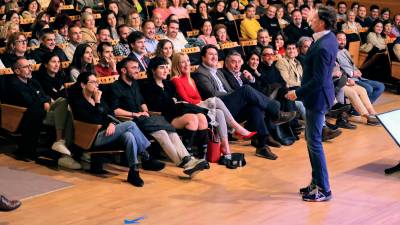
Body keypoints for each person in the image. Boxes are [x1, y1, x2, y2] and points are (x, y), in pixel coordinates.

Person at [193, 45, 296, 160]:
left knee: (254, 107)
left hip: (229, 107)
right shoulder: (200, 73)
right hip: (217, 107)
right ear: (203, 57)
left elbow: (229, 90)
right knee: (245, 89)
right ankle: (276, 112)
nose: (214, 57)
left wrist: (237, 95)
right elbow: (211, 94)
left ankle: (262, 145)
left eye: (216, 54)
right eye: (210, 54)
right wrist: (237, 95)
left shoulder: (218, 71)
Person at [111, 58, 208, 177]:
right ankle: (183, 163)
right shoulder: (115, 87)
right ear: (123, 70)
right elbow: (115, 111)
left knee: (171, 131)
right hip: (130, 121)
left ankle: (187, 159)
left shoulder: (135, 84)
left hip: (144, 117)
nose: (138, 70)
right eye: (134, 68)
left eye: (138, 67)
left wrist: (145, 111)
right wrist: (134, 114)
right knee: (161, 132)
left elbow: (141, 101)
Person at [68, 72, 164, 187]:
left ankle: (134, 172)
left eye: (96, 82)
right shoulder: (78, 102)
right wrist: (97, 102)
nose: (96, 85)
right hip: (92, 136)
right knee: (130, 124)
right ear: (83, 85)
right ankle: (146, 155)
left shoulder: (98, 97)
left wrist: (112, 123)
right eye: (93, 82)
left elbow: (110, 114)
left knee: (129, 136)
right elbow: (94, 120)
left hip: (108, 133)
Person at [285, 6, 337, 201]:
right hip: (317, 96)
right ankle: (316, 182)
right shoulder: (328, 38)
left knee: (315, 143)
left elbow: (319, 80)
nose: (310, 19)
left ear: (322, 22)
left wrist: (296, 93)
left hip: (317, 98)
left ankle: (324, 189)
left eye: (313, 17)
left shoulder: (323, 46)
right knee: (311, 139)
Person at [171, 52, 257, 164]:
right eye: (182, 62)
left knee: (220, 112)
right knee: (215, 100)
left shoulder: (190, 79)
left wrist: (200, 101)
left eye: (187, 61)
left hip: (197, 105)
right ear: (176, 64)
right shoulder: (175, 79)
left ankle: (226, 148)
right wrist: (202, 103)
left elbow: (197, 97)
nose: (186, 64)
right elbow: (185, 99)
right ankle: (236, 127)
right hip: (188, 108)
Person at [139, 57, 210, 160]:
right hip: (163, 117)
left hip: (176, 112)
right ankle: (187, 154)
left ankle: (202, 156)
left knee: (202, 117)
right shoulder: (146, 86)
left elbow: (175, 100)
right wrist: (172, 101)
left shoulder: (169, 84)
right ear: (153, 70)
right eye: (161, 68)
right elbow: (157, 105)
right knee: (192, 119)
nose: (165, 70)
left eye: (167, 67)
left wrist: (173, 101)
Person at [34, 53, 81, 169]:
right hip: (47, 113)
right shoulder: (38, 79)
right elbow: (44, 101)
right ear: (45, 64)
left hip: (61, 112)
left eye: (58, 62)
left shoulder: (61, 77)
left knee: (69, 113)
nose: (57, 65)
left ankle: (65, 154)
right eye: (53, 62)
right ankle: (59, 141)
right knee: (63, 101)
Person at [336, 32, 385, 104]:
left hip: (358, 78)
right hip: (348, 79)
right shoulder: (333, 53)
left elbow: (352, 65)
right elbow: (337, 69)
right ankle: (357, 110)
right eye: (340, 39)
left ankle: (362, 107)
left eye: (344, 39)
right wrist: (353, 73)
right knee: (368, 88)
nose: (343, 42)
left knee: (380, 86)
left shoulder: (345, 51)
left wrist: (357, 70)